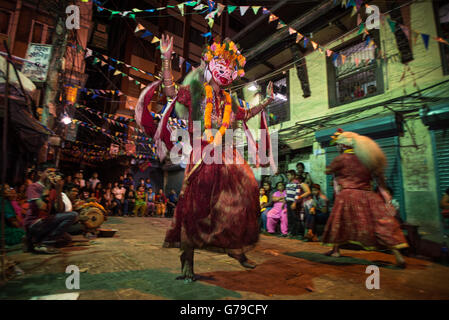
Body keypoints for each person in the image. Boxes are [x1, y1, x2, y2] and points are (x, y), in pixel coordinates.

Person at [136, 35, 275, 281]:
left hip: (227, 154)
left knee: (247, 190)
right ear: (208, 65)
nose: (225, 72)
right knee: (194, 208)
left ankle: (236, 249)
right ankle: (187, 262)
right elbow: (170, 90)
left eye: (230, 69)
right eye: (220, 66)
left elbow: (247, 113)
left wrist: (267, 101)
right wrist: (166, 58)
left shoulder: (231, 100)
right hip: (202, 153)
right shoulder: (196, 92)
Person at [322, 129, 408, 268]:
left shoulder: (342, 158)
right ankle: (398, 255)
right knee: (380, 224)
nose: (337, 147)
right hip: (368, 195)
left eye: (338, 145)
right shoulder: (368, 158)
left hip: (347, 195)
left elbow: (328, 170)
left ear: (343, 145)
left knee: (339, 222)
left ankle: (336, 250)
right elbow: (380, 180)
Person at [23, 163, 77, 254]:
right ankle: (44, 243)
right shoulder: (33, 187)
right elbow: (42, 207)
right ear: (40, 173)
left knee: (67, 239)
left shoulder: (53, 190)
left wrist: (59, 190)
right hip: (34, 223)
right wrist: (47, 187)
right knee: (73, 215)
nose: (52, 175)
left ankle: (34, 241)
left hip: (46, 222)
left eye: (54, 173)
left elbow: (60, 210)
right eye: (49, 172)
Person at [285, 170, 302, 237]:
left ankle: (297, 233)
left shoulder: (297, 184)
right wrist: (285, 202)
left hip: (293, 202)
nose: (288, 177)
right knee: (290, 217)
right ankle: (291, 232)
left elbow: (297, 194)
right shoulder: (288, 184)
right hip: (288, 202)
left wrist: (294, 203)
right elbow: (287, 193)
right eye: (287, 175)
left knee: (295, 217)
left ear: (293, 176)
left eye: (289, 175)